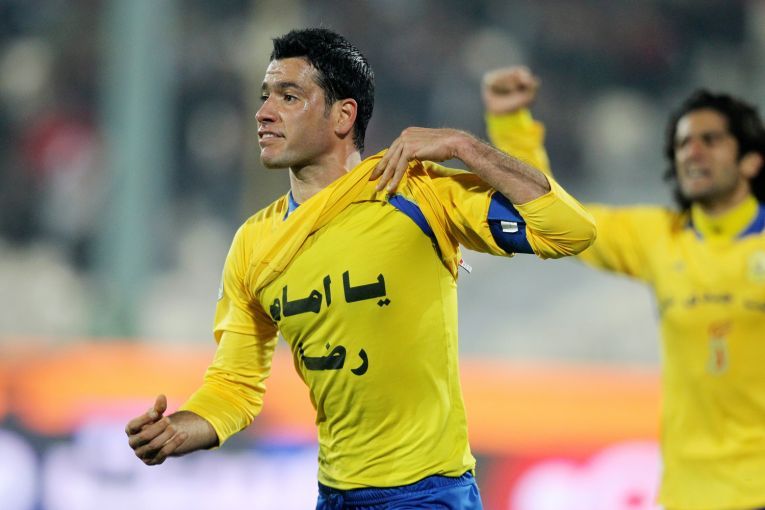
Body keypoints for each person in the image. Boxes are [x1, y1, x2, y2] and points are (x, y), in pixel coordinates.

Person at [125, 29, 596, 509]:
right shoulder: (253, 242)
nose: (264, 112)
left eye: (289, 97)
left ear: (343, 115)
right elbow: (234, 386)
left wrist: (464, 147)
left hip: (429, 494)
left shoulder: (417, 193)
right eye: (265, 96)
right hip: (335, 496)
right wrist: (179, 430)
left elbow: (571, 231)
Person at [482, 66, 765, 510]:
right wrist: (511, 125)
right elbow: (558, 216)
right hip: (689, 496)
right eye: (683, 143)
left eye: (710, 140)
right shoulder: (660, 238)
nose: (693, 152)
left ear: (751, 160)